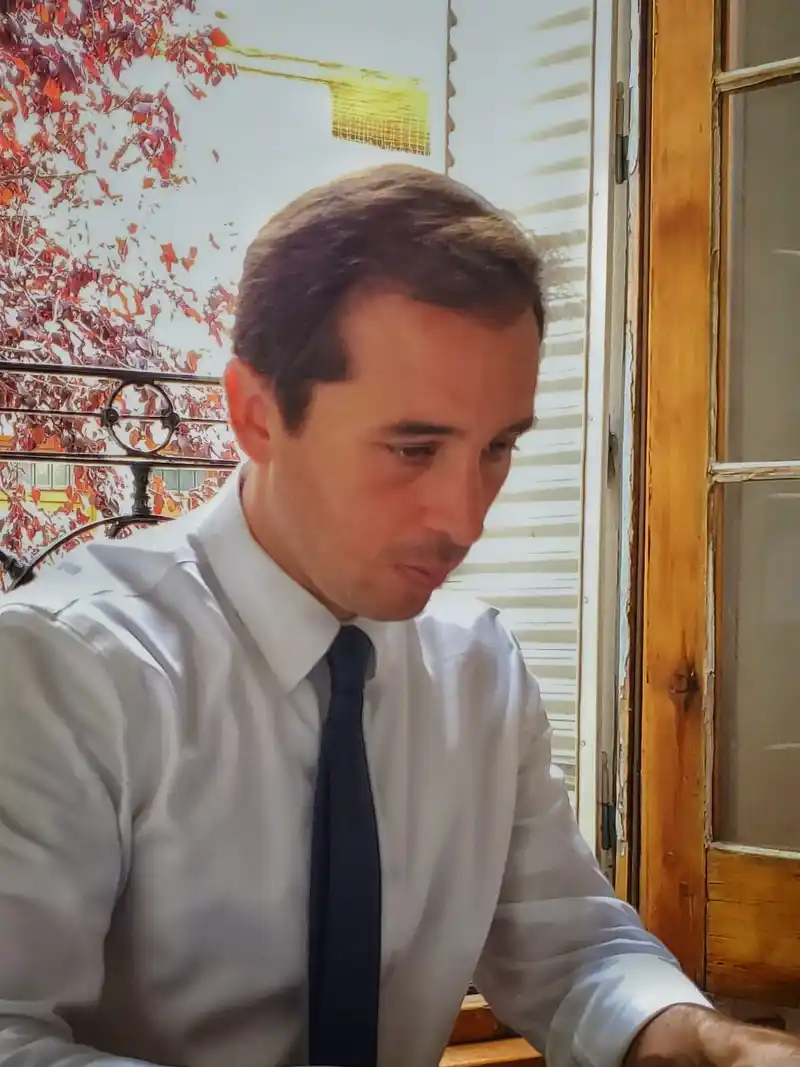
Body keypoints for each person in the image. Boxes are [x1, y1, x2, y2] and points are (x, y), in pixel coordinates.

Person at [0, 165, 797, 1067]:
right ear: (256, 415)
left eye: (498, 447)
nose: (466, 518)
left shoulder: (477, 670)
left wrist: (708, 1042)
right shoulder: (62, 668)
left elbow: (571, 949)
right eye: (413, 449)